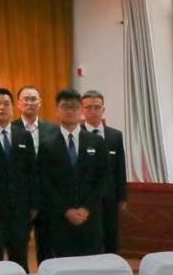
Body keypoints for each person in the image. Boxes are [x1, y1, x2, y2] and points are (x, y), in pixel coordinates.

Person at [39, 89, 108, 258]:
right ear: (57, 110)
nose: (70, 111)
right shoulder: (47, 145)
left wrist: (86, 209)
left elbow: (104, 179)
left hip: (90, 216)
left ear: (81, 110)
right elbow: (44, 182)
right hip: (60, 218)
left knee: (92, 262)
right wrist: (66, 210)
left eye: (74, 107)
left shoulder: (96, 142)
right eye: (65, 107)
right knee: (64, 263)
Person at [0, 88, 38, 269]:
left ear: (13, 108)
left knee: (20, 257)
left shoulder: (23, 135)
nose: (2, 108)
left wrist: (34, 203)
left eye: (6, 104)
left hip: (20, 209)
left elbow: (32, 172)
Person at [82, 90, 128, 255]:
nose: (93, 111)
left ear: (103, 110)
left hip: (110, 197)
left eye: (97, 107)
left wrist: (122, 197)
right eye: (89, 107)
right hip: (85, 199)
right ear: (82, 110)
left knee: (111, 237)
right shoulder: (77, 135)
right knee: (88, 239)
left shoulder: (115, 135)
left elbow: (120, 168)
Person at [18, 84, 57, 262]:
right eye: (26, 99)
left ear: (40, 102)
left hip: (47, 195)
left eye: (33, 99)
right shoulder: (11, 128)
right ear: (19, 103)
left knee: (47, 244)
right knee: (19, 244)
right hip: (21, 197)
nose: (30, 102)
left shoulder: (53, 129)